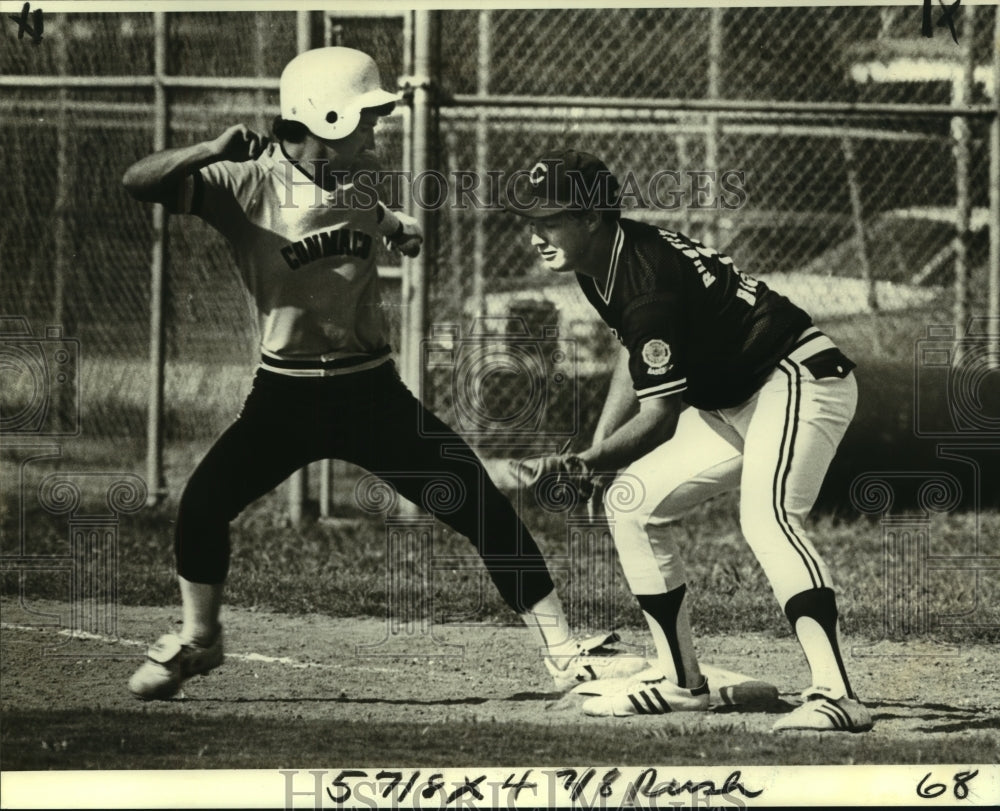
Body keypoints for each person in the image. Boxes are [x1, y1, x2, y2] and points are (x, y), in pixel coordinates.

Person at [121, 48, 645, 701]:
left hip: (368, 392)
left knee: (475, 499)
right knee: (202, 504)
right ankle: (201, 639)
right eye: (364, 118)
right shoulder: (244, 181)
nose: (375, 132)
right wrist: (209, 147)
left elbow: (361, 216)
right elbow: (138, 182)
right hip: (284, 396)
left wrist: (399, 230)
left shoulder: (361, 173)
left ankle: (565, 655)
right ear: (324, 115)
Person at [507, 149, 873, 732]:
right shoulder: (605, 260)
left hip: (793, 376)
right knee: (631, 503)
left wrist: (585, 461)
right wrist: (600, 455)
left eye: (550, 220)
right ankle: (682, 685)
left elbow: (660, 413)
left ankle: (837, 695)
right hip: (735, 398)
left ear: (593, 216)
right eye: (530, 221)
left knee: (769, 516)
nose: (535, 235)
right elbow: (639, 361)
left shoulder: (642, 275)